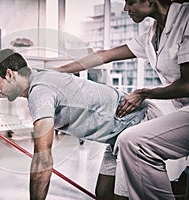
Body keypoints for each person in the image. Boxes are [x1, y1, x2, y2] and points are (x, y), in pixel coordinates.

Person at [0, 48, 161, 200]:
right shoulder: (33, 76)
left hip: (135, 128)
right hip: (116, 135)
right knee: (104, 195)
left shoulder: (40, 93)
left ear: (10, 74)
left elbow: (43, 158)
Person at [55, 0, 189, 199]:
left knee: (133, 141)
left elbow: (187, 84)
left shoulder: (186, 19)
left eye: (130, 2)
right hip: (182, 110)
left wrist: (144, 93)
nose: (125, 8)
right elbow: (104, 55)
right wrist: (55, 72)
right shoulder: (151, 36)